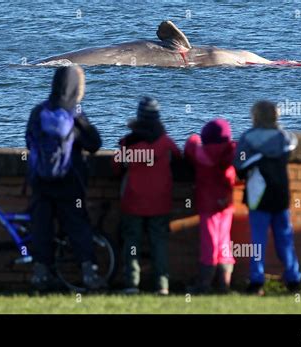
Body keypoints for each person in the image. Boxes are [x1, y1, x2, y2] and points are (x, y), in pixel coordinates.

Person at [25, 65, 104, 291]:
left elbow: (29, 141)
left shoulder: (38, 112)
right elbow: (95, 144)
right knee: (78, 227)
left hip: (40, 181)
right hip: (70, 183)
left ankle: (41, 275)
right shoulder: (75, 114)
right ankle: (89, 274)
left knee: (41, 228)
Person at [112, 97, 182, 295]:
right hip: (160, 201)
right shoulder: (165, 142)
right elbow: (178, 156)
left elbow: (115, 167)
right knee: (159, 243)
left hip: (132, 201)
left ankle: (132, 284)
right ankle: (162, 285)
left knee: (131, 244)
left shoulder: (128, 142)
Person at [233, 100, 301, 296]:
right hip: (280, 193)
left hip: (258, 195)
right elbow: (291, 146)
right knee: (285, 238)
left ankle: (256, 281)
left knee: (258, 240)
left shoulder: (248, 138)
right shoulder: (284, 138)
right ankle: (293, 279)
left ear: (255, 117)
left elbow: (239, 165)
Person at [184, 119, 236, 293]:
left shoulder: (200, 153)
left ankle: (204, 284)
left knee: (209, 244)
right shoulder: (230, 153)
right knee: (224, 243)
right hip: (226, 204)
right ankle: (224, 284)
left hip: (208, 205)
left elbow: (190, 146)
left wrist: (193, 137)